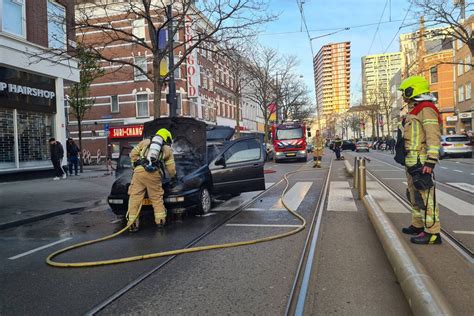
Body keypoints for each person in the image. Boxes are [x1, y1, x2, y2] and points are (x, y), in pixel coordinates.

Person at [398, 75, 442, 245]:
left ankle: (432, 232)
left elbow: (433, 135)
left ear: (413, 90)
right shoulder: (414, 110)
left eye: (405, 92)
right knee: (414, 193)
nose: (403, 96)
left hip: (421, 159)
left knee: (426, 196)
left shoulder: (426, 108)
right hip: (412, 159)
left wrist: (430, 161)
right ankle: (418, 225)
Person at [127, 128, 176, 232]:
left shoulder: (144, 142)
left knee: (134, 198)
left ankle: (132, 224)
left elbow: (132, 154)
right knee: (156, 198)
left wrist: (135, 165)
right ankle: (160, 221)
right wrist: (173, 177)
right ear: (166, 138)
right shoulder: (167, 149)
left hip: (138, 173)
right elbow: (171, 169)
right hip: (153, 174)